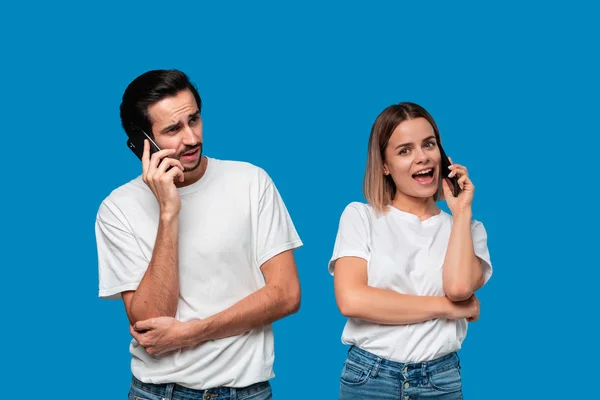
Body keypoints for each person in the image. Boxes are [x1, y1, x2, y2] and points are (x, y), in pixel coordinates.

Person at [95, 69, 302, 400]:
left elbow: (286, 294)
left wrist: (190, 333)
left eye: (194, 120)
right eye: (173, 129)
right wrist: (168, 212)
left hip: (246, 392)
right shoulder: (117, 209)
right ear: (142, 143)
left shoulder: (251, 182)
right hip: (159, 393)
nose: (191, 138)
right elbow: (152, 321)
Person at [328, 102, 492, 399]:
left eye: (429, 144)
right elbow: (352, 300)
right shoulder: (360, 217)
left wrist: (462, 211)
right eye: (405, 150)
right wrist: (446, 309)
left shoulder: (469, 230)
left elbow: (457, 287)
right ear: (385, 166)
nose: (422, 157)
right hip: (370, 378)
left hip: (439, 380)